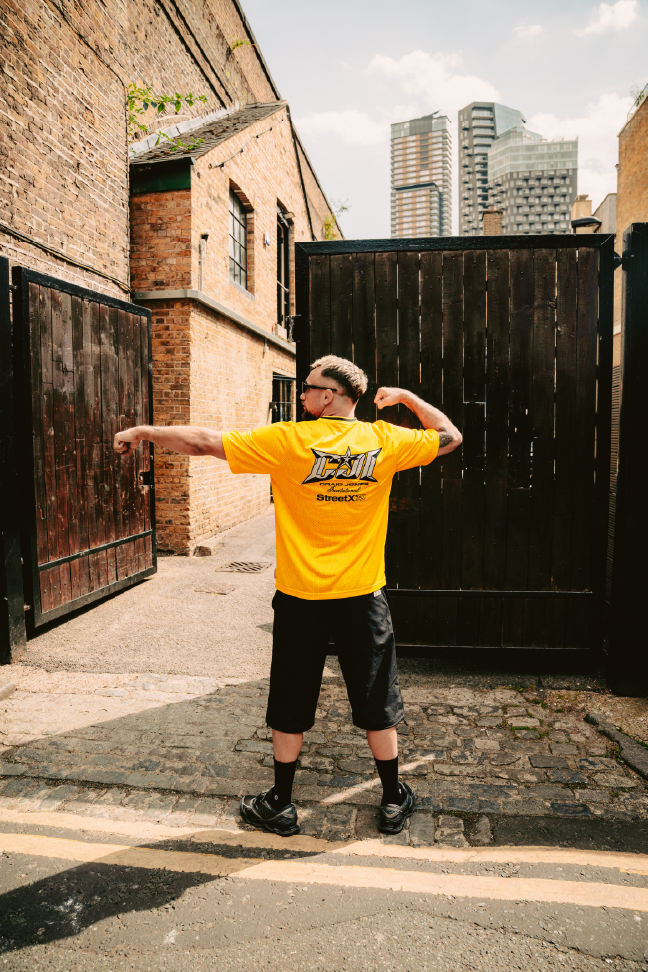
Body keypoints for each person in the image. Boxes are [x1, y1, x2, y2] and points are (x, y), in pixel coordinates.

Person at [114, 355, 462, 837]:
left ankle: (280, 803)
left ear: (329, 396)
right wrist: (405, 399)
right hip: (362, 597)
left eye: (308, 387)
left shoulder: (289, 441)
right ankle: (391, 799)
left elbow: (203, 442)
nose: (301, 394)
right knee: (376, 698)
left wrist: (144, 431)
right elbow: (449, 436)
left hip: (301, 598)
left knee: (291, 698)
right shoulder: (385, 441)